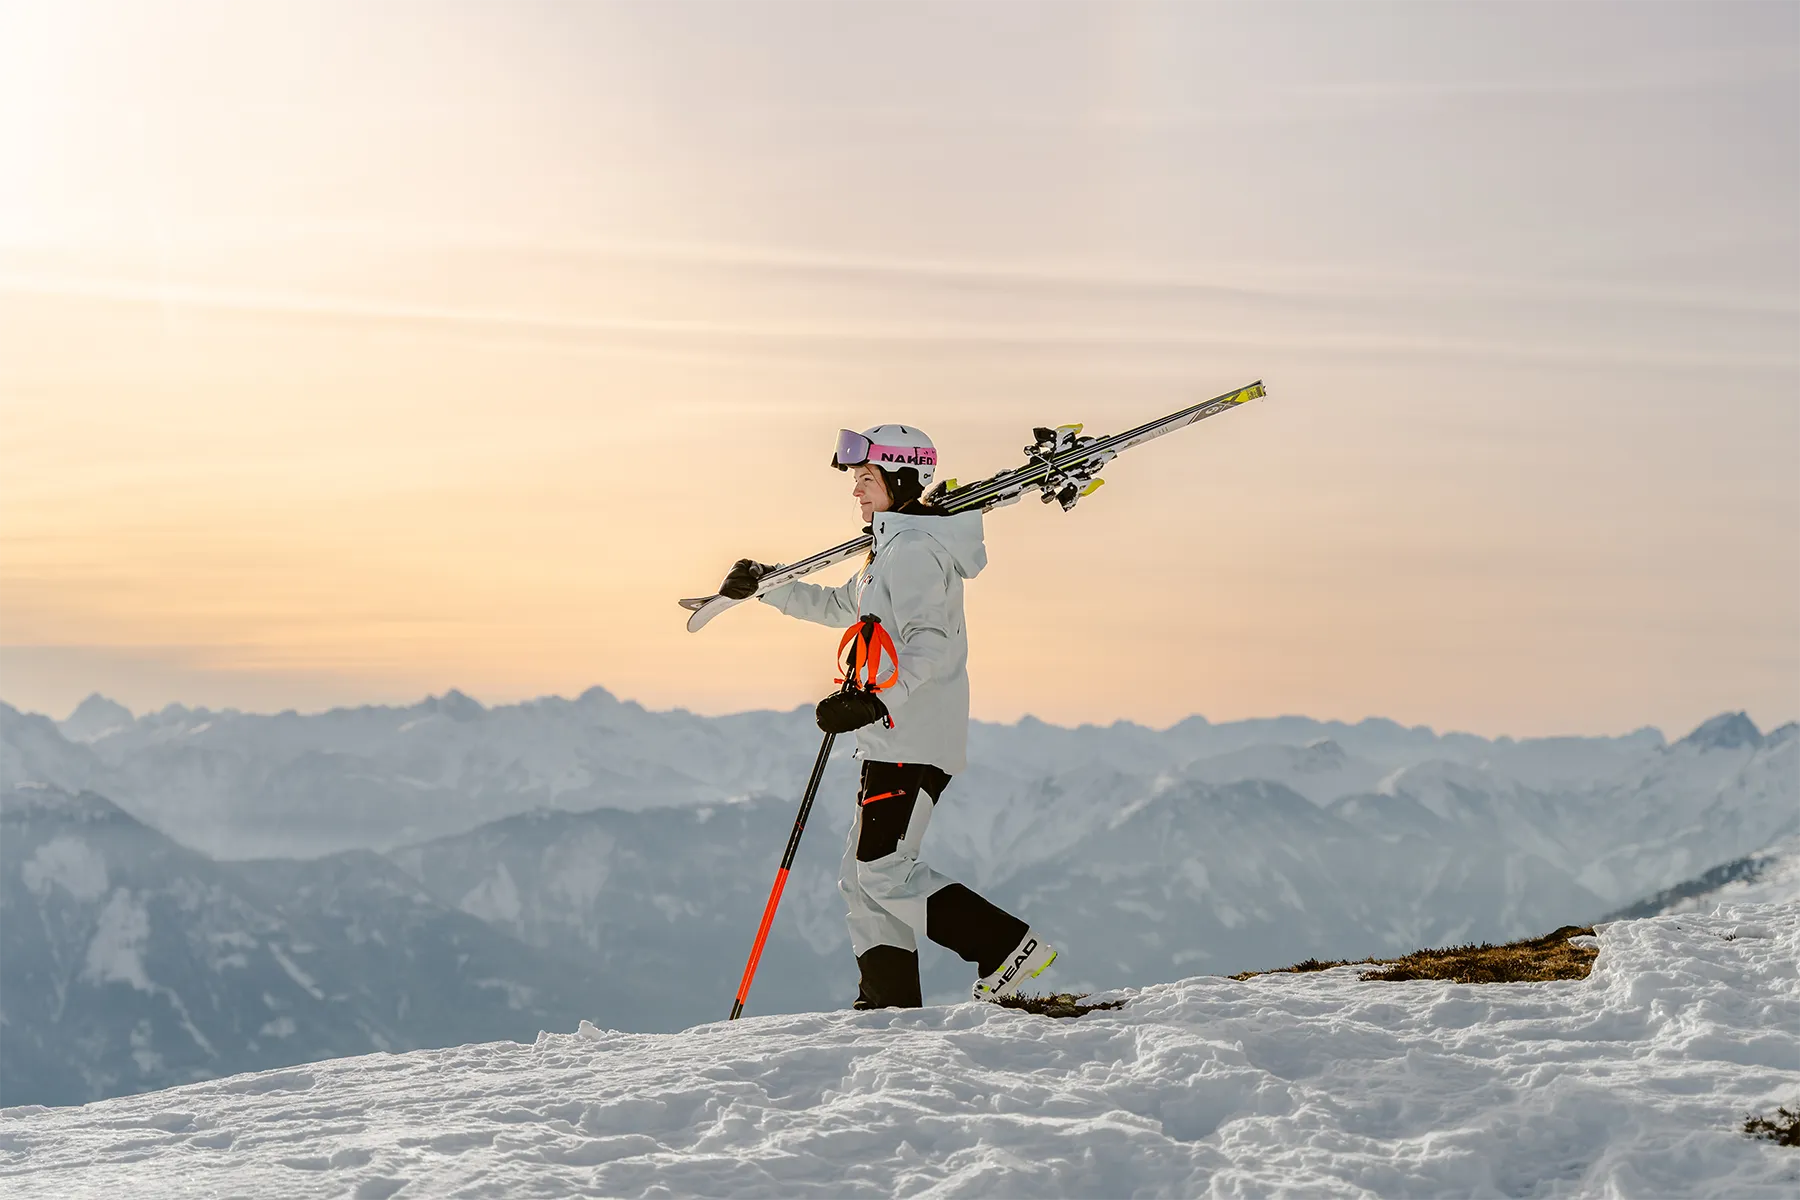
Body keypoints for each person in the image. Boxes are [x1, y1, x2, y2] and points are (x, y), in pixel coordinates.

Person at [717, 424, 1057, 1009]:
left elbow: (932, 644)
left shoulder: (917, 552)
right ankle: (889, 1004)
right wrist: (768, 587)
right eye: (855, 480)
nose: (855, 491)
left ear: (901, 480)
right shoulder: (890, 550)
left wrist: (874, 701)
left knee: (881, 871)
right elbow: (836, 605)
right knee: (862, 877)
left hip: (913, 737)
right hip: (891, 737)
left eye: (866, 479)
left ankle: (1006, 947)